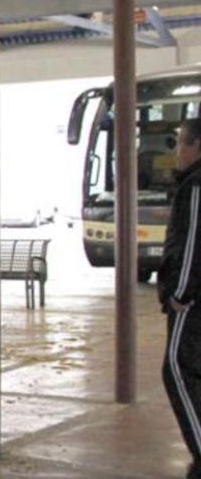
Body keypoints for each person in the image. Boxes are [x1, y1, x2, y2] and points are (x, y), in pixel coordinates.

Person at [161, 118, 201, 479]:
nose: (176, 153)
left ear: (196, 147)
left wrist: (179, 293)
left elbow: (191, 246)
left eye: (180, 145)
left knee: (175, 370)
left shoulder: (196, 187)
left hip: (191, 303)